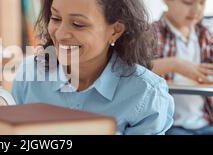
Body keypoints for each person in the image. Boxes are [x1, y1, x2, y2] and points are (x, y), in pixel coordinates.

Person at [12, 0, 174, 135]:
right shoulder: (30, 74)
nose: (60, 34)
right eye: (56, 18)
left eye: (78, 24)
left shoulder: (146, 95)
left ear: (115, 31)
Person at [152, 0, 213, 135]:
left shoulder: (203, 34)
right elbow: (135, 70)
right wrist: (175, 64)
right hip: (170, 126)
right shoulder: (153, 33)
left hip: (205, 124)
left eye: (202, 2)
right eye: (188, 2)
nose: (196, 9)